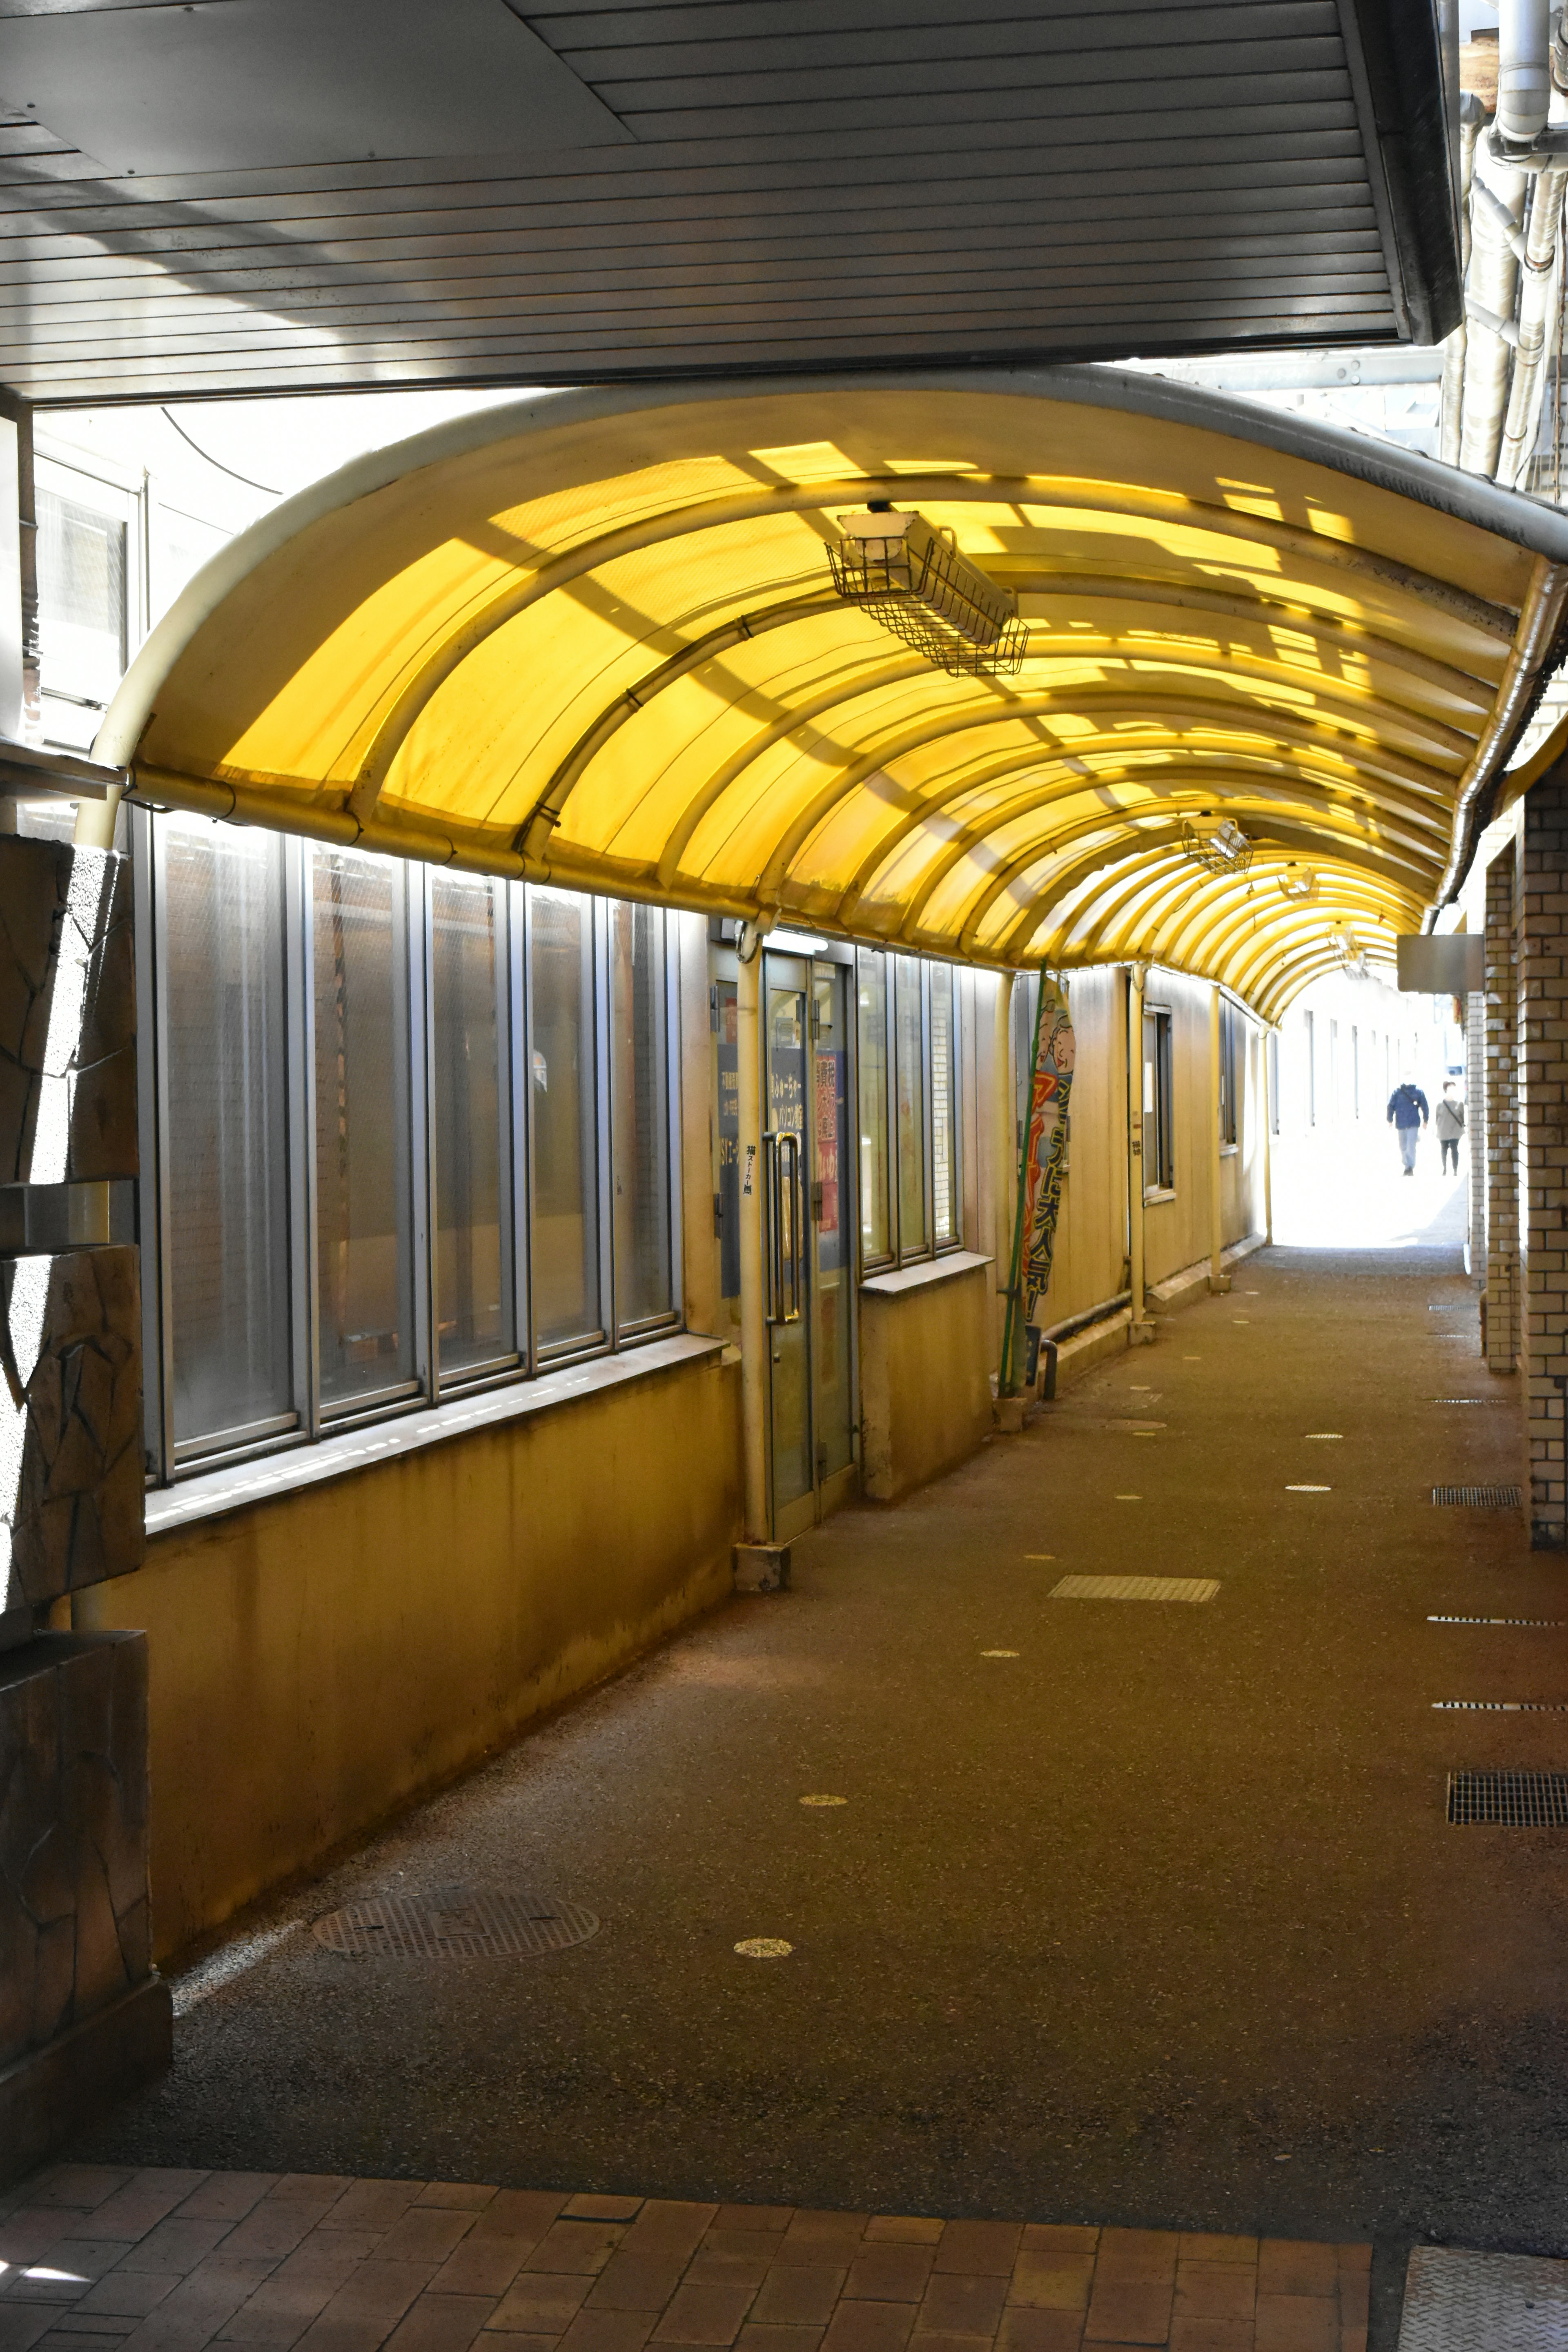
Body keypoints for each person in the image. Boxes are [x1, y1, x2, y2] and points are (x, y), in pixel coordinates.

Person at [1387, 1077, 1430, 1176]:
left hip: (1413, 1123)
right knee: (1403, 1146)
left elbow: (1425, 1106)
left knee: (1411, 1145)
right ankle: (1407, 1165)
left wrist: (1426, 1120)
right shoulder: (1397, 1093)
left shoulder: (1418, 1092)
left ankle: (1409, 1167)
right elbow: (1391, 1106)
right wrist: (1390, 1120)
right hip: (1401, 1123)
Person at [1434, 1080, 1466, 1176]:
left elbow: (1462, 1118)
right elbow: (1437, 1119)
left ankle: (1455, 1170)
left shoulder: (1459, 1104)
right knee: (1444, 1149)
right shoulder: (1440, 1105)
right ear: (1446, 1090)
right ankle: (1445, 1169)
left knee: (1454, 1149)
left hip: (1455, 1131)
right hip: (1443, 1131)